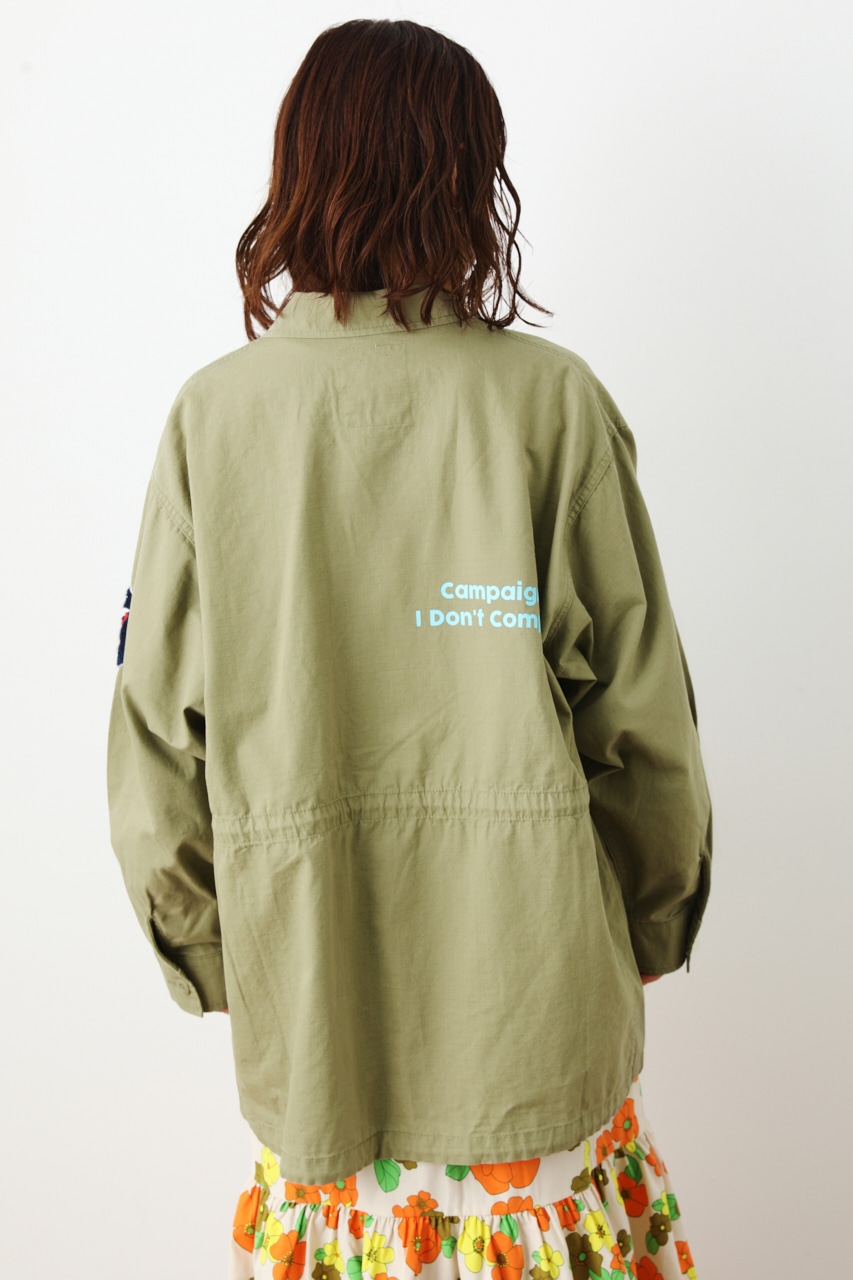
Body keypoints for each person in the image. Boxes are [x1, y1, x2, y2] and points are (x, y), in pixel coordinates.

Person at [106, 18, 712, 1280]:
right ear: (470, 176)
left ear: (298, 167)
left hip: (318, 1026)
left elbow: (158, 744)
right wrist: (652, 922)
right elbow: (642, 722)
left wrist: (210, 947)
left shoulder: (213, 421)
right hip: (538, 1031)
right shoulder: (550, 403)